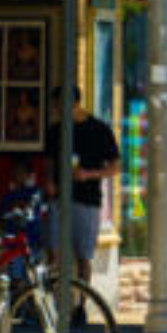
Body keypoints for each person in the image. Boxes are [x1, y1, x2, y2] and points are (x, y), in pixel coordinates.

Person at [40, 87, 121, 318]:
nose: (57, 112)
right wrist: (49, 182)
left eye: (59, 107)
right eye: (55, 108)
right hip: (58, 199)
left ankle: (81, 306)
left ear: (74, 104)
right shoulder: (55, 130)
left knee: (83, 256)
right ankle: (50, 306)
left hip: (87, 200)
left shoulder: (99, 130)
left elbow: (115, 166)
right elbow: (48, 161)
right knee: (52, 252)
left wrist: (89, 174)